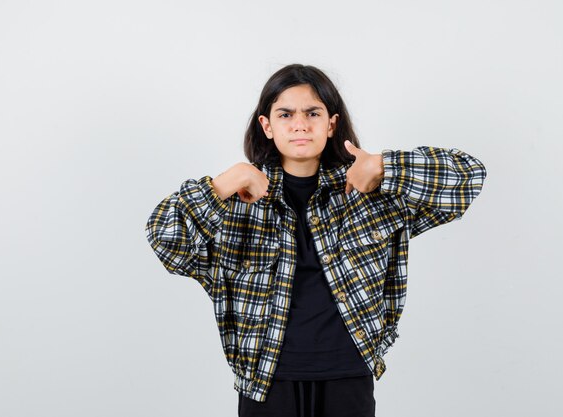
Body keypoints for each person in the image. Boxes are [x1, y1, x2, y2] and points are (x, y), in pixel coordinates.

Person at [145, 64, 487, 417]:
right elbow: (166, 241)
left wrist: (385, 167)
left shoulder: (368, 192)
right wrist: (226, 181)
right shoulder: (235, 204)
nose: (300, 124)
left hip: (348, 376)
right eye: (285, 114)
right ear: (266, 125)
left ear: (331, 124)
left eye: (312, 113)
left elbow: (469, 177)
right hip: (265, 381)